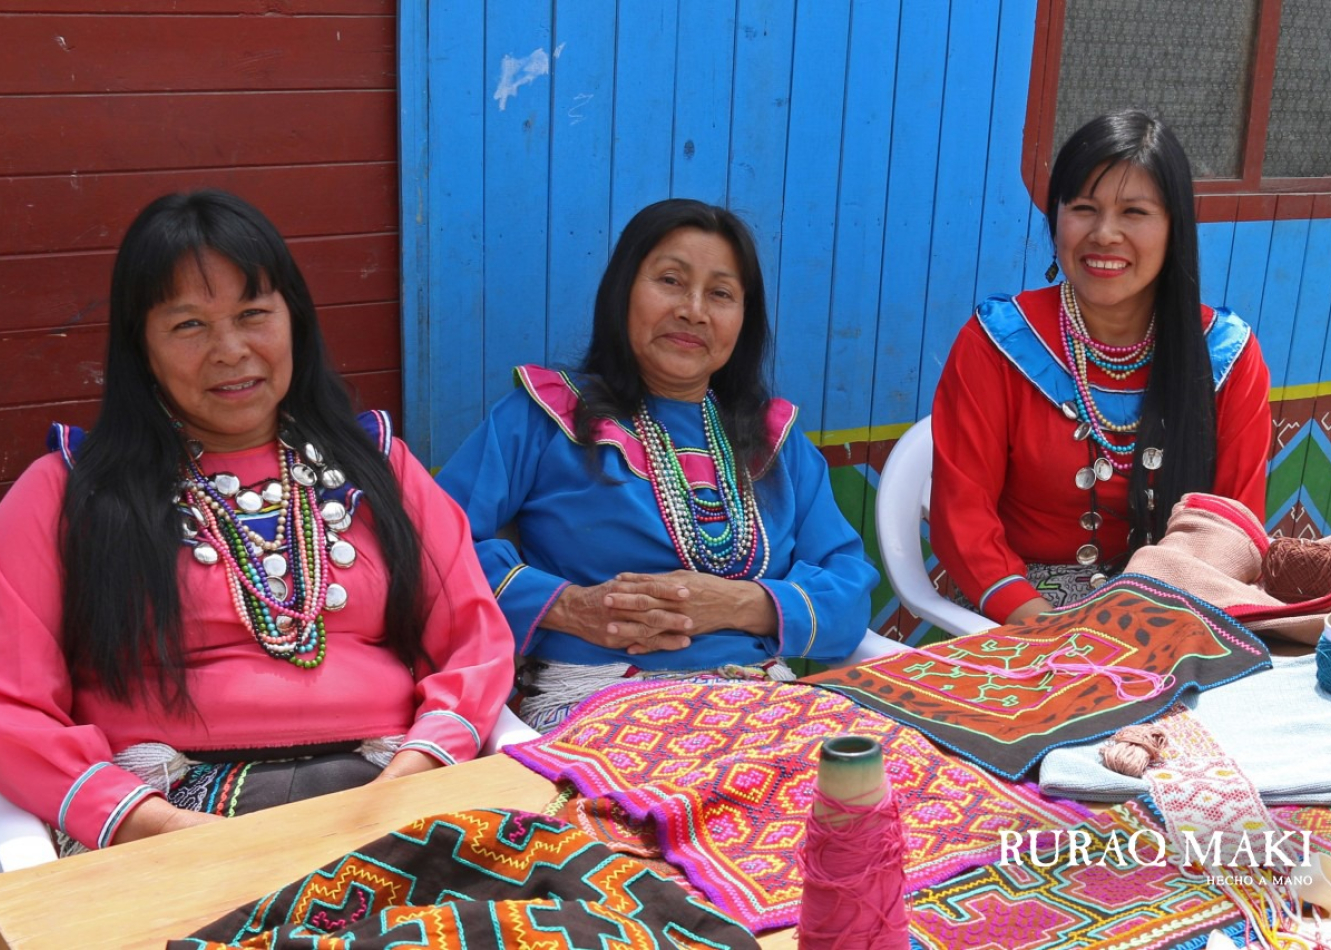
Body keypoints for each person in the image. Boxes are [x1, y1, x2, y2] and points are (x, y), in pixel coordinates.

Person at [0, 191, 514, 853]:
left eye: (253, 314)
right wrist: (156, 827)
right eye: (188, 325)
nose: (230, 349)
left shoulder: (382, 467)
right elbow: (12, 706)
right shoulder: (66, 491)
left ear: (293, 320)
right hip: (175, 815)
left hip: (388, 791)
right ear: (142, 348)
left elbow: (475, 644)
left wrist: (407, 785)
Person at [438, 198, 878, 731]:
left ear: (743, 319)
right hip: (597, 699)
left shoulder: (774, 443)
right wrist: (568, 606)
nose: (693, 309)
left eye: (720, 293)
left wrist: (740, 604)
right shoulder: (546, 418)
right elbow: (435, 549)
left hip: (761, 699)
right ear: (623, 291)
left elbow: (849, 592)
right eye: (670, 280)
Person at [930, 110, 1272, 625]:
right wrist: (1047, 629)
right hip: (1023, 613)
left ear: (1174, 227)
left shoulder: (1227, 355)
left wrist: (1154, 632)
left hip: (1175, 611)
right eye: (1083, 207)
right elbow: (963, 520)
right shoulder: (997, 342)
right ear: (1056, 218)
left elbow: (1232, 530)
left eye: (1134, 212)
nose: (1105, 233)